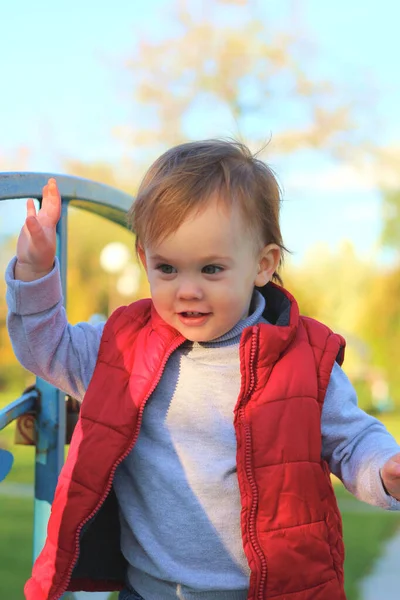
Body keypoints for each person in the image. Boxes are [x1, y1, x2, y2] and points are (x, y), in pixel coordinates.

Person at [5, 139, 400, 600]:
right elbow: (46, 348)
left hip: (265, 592)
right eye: (167, 268)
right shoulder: (123, 346)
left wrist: (384, 468)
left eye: (211, 269)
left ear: (263, 265)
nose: (187, 290)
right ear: (143, 259)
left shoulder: (302, 358)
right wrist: (35, 272)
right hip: (149, 591)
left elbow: (351, 440)